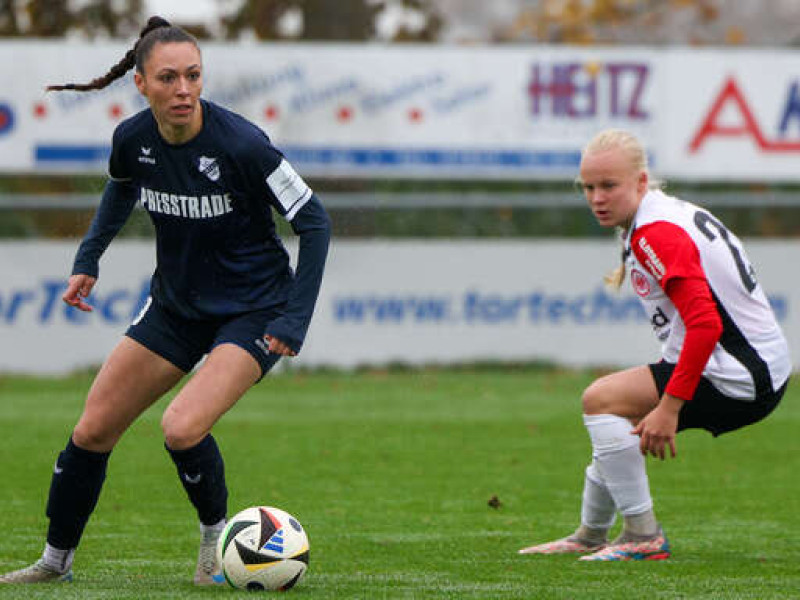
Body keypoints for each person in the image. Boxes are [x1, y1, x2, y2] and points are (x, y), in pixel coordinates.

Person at [0, 16, 330, 585]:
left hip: (252, 308)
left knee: (180, 428)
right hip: (176, 306)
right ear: (142, 83)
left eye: (193, 76)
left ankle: (215, 546)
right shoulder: (132, 139)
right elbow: (120, 187)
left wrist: (293, 318)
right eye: (169, 78)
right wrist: (88, 260)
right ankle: (55, 563)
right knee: (92, 430)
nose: (183, 90)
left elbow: (315, 222)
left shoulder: (242, 144)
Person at [518, 129, 790, 561]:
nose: (597, 197)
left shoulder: (655, 232)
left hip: (740, 373)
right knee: (615, 425)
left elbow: (705, 324)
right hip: (756, 367)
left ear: (641, 182)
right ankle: (590, 535)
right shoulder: (657, 217)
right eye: (588, 187)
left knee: (600, 399)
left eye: (609, 185)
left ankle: (642, 536)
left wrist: (670, 406)